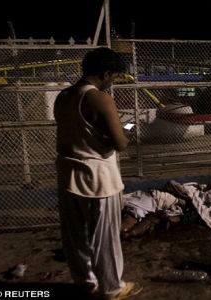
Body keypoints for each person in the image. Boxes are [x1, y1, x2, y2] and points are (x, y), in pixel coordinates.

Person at [54, 47, 142, 299]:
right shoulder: (100, 98)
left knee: (75, 235)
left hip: (69, 174)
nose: (113, 82)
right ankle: (112, 288)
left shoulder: (64, 96)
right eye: (114, 76)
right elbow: (120, 143)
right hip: (98, 178)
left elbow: (81, 133)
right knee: (104, 237)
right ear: (105, 73)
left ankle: (85, 283)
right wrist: (127, 129)